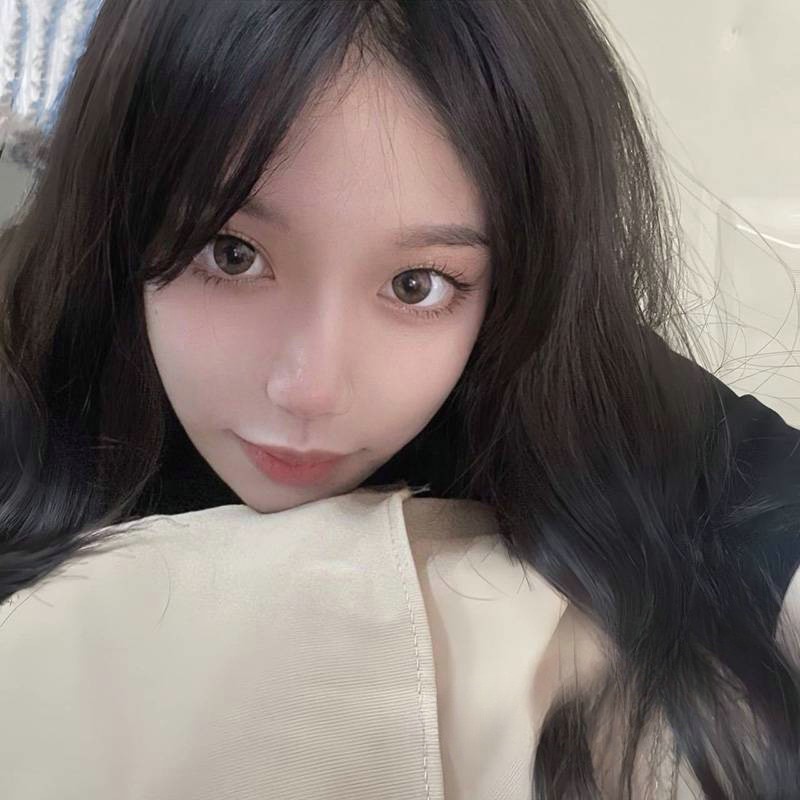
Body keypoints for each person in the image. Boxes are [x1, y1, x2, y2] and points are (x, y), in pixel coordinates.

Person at [0, 1, 798, 797]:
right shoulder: (31, 356)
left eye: (417, 285)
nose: (309, 388)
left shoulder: (544, 370)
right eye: (231, 252)